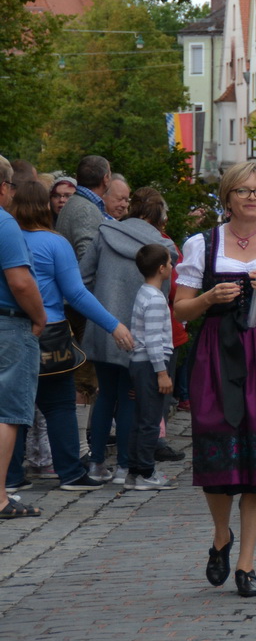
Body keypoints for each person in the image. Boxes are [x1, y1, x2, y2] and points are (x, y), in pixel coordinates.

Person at [173, 161, 256, 598]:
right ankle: (220, 535)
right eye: (243, 191)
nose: (251, 198)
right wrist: (210, 297)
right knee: (218, 449)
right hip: (217, 350)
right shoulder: (203, 243)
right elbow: (181, 308)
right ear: (227, 196)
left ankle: (247, 562)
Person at [6, 179, 137, 495]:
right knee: (60, 404)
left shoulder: (6, 240)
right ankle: (69, 472)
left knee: (12, 406)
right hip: (50, 334)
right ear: (45, 206)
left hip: (11, 331)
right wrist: (114, 325)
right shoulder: (55, 244)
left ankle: (10, 475)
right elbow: (76, 293)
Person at [79, 186, 177, 483]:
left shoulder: (105, 233)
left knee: (105, 395)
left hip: (104, 326)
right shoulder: (163, 246)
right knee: (130, 400)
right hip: (142, 336)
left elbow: (81, 279)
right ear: (158, 214)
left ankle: (96, 464)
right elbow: (168, 291)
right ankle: (124, 466)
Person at [0, 161, 51, 515]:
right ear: (4, 187)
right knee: (6, 413)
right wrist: (39, 316)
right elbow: (19, 281)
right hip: (7, 326)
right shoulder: (4, 223)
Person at [122, 244, 177, 491]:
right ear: (161, 269)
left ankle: (134, 470)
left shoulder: (143, 292)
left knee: (141, 418)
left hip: (140, 362)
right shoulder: (155, 299)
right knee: (150, 420)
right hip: (151, 364)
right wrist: (162, 373)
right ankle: (145, 471)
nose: (172, 267)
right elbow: (154, 339)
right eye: (169, 263)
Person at [55, 154, 112, 264]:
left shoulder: (76, 202)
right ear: (105, 179)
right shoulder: (86, 210)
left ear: (77, 178)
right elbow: (88, 260)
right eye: (110, 174)